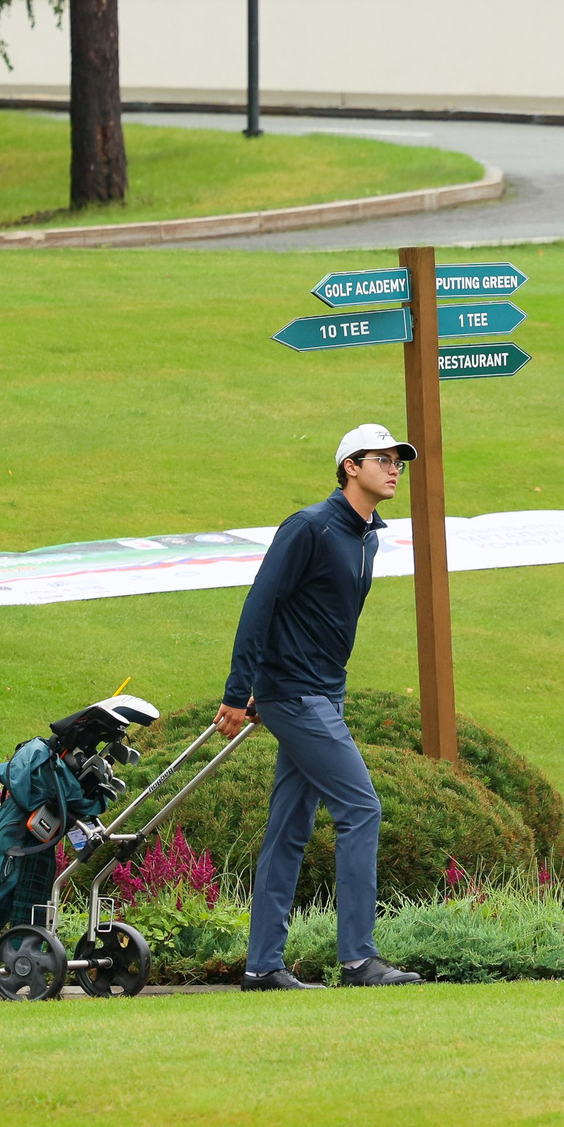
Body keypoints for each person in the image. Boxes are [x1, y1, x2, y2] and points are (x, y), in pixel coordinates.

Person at [216, 424, 425, 991]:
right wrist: (241, 692)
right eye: (382, 459)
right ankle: (358, 958)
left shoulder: (368, 537)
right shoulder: (309, 527)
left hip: (321, 692)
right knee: (362, 809)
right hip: (295, 695)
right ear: (350, 466)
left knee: (289, 828)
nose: (394, 468)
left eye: (398, 461)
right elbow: (260, 606)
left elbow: (313, 618)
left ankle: (261, 967)